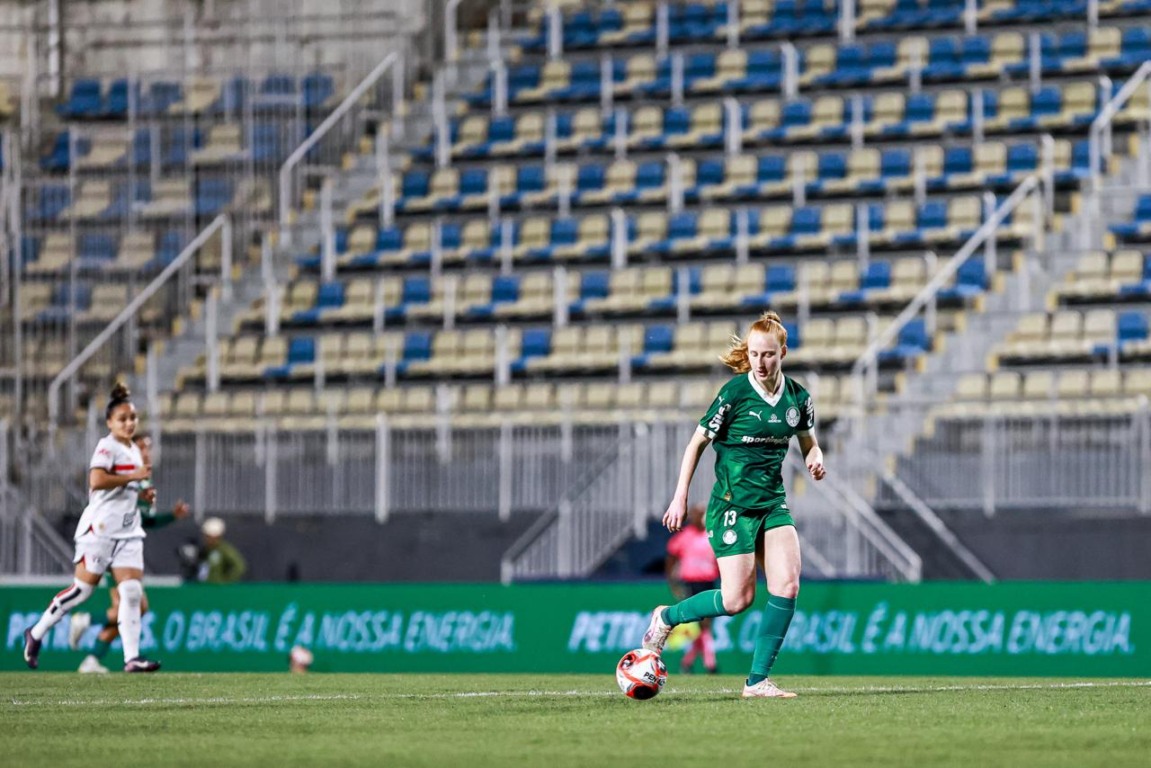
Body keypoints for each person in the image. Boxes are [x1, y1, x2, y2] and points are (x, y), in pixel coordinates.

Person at [641, 311, 826, 699]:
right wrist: (680, 495)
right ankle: (666, 617)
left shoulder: (798, 398)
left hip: (772, 504)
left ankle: (757, 681)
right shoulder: (734, 394)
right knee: (736, 600)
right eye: (755, 354)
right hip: (732, 507)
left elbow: (808, 440)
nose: (761, 362)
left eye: (769, 355)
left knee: (788, 584)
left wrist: (814, 456)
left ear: (783, 352)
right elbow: (696, 444)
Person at [22, 382, 162, 673]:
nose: (129, 423)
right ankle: (36, 633)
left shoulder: (134, 450)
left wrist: (141, 493)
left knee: (132, 592)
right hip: (99, 530)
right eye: (122, 419)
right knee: (82, 591)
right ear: (110, 422)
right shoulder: (106, 446)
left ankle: (131, 658)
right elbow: (96, 481)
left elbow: (124, 488)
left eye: (132, 418)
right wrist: (133, 477)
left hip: (128, 532)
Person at [70, 433, 190, 673]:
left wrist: (171, 516)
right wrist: (168, 516)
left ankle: (92, 659)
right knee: (136, 606)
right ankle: (86, 621)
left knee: (132, 608)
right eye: (142, 447)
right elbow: (133, 515)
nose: (147, 452)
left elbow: (145, 521)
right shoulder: (128, 475)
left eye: (149, 447)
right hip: (113, 549)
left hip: (122, 548)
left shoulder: (141, 477)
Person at [665, 503, 720, 675]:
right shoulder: (684, 537)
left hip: (709, 582)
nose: (701, 517)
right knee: (703, 625)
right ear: (692, 517)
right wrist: (673, 583)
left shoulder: (712, 535)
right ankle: (710, 663)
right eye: (698, 514)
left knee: (704, 625)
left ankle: (687, 663)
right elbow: (671, 558)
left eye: (704, 514)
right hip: (691, 583)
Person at [197, 517, 247, 583]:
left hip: (216, 589)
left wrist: (226, 582)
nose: (206, 539)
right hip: (204, 588)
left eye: (208, 536)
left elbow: (240, 566)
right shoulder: (205, 550)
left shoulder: (224, 549)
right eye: (206, 536)